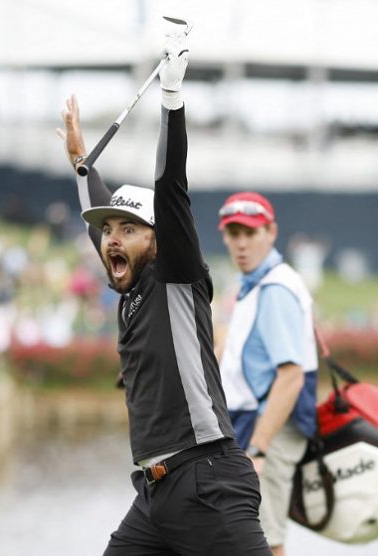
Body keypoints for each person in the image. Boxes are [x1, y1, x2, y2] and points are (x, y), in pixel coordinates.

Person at [57, 27, 269, 555]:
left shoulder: (176, 273)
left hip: (208, 482)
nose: (112, 239)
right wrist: (82, 161)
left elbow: (171, 186)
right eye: (108, 231)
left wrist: (171, 101)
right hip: (154, 496)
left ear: (157, 239)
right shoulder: (125, 276)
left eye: (128, 229)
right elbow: (97, 203)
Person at [216, 191, 319, 556]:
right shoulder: (256, 284)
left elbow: (290, 376)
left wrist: (258, 448)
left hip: (269, 429)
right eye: (233, 234)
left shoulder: (275, 288)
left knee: (264, 541)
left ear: (271, 232)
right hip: (252, 424)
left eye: (250, 233)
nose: (241, 243)